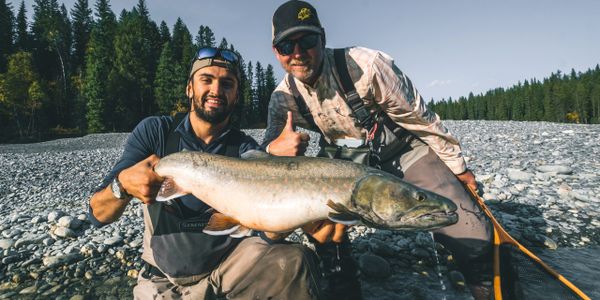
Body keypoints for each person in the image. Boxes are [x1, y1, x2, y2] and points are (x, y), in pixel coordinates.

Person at [262, 1, 494, 299]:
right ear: (275, 51)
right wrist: (273, 147)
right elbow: (264, 152)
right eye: (286, 46)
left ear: (322, 37)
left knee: (470, 230)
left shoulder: (367, 66)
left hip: (402, 152)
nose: (297, 53)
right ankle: (342, 282)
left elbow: (421, 119)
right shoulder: (282, 97)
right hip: (343, 165)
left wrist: (459, 170)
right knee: (323, 225)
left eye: (306, 41)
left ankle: (485, 285)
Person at [88, 47, 322, 299]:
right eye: (206, 80)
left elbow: (267, 232)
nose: (216, 90)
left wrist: (292, 193)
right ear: (190, 88)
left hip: (229, 269)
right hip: (162, 277)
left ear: (235, 96)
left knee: (294, 260)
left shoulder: (245, 150)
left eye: (227, 83)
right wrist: (121, 186)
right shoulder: (156, 132)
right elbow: (97, 215)